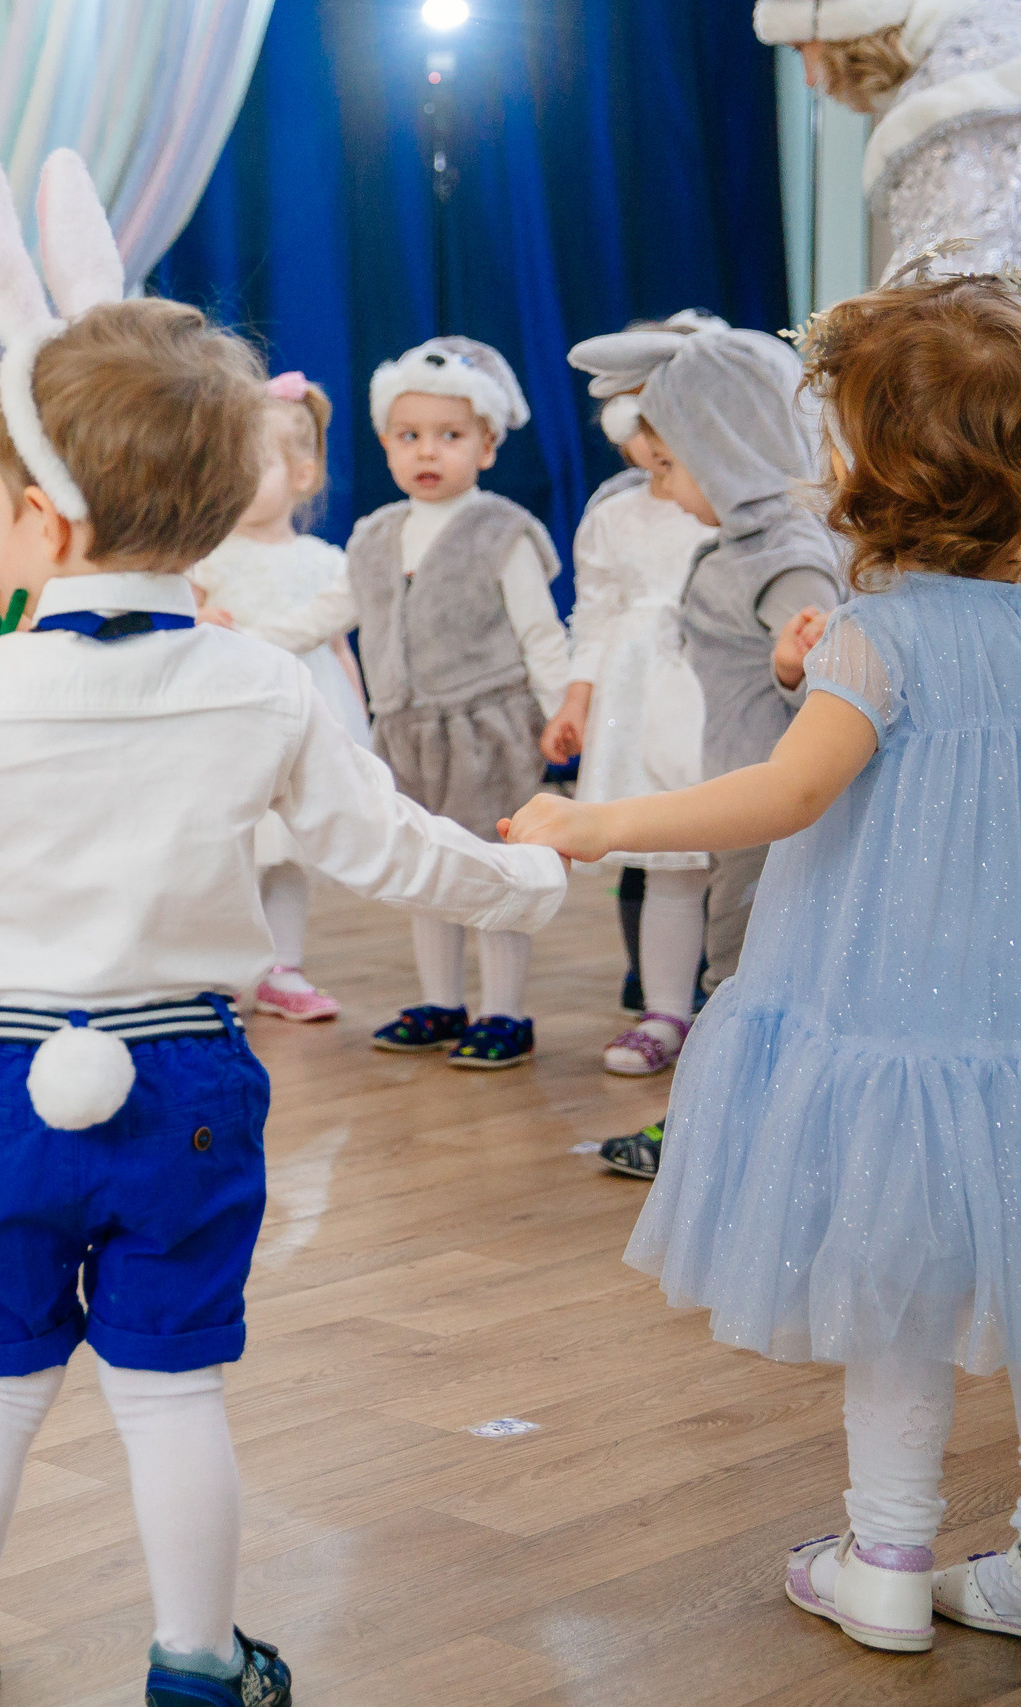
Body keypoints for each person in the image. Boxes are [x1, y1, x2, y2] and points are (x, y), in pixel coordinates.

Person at [0, 128, 568, 1707]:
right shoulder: (257, 681)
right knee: (173, 1396)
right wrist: (537, 875)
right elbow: (397, 849)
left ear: (47, 522)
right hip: (189, 1086)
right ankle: (202, 1663)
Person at [506, 274, 1021, 1656]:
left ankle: (890, 1554)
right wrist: (818, 675)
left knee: (904, 1290)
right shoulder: (885, 633)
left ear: (887, 468)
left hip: (896, 1013)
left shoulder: (888, 630)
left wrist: (597, 818)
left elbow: (789, 797)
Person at [561, 322, 847, 1181]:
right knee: (745, 973)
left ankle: (711, 1136)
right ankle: (744, 1131)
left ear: (730, 451)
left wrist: (801, 664)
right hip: (747, 805)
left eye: (669, 467)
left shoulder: (786, 552)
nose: (664, 488)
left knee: (743, 976)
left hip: (775, 814)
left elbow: (842, 667)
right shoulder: (743, 547)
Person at [352, 338, 572, 1070]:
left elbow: (541, 632)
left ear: (486, 445)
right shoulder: (376, 535)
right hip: (408, 733)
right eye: (410, 435)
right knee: (427, 870)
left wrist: (563, 711)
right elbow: (335, 608)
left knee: (494, 870)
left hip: (488, 729)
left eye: (450, 436)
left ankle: (506, 1011)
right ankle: (442, 999)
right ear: (385, 442)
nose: (428, 451)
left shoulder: (499, 530)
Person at [544, 321, 718, 1080]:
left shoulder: (735, 507)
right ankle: (666, 1010)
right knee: (669, 862)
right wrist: (574, 700)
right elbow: (596, 610)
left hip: (715, 687)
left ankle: (736, 999)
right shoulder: (613, 514)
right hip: (638, 699)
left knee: (743, 854)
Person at [190, 372, 372, 1023]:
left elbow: (342, 651)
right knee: (229, 848)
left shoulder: (326, 562)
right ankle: (215, 968)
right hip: (228, 716)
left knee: (287, 849)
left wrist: (357, 730)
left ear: (302, 474)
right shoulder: (204, 556)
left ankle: (283, 966)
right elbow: (183, 622)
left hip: (301, 712)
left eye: (253, 466)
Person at [758, 0, 1021, 280]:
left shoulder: (960, 112)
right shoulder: (985, 60)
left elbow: (957, 289)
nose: (809, 79)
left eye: (801, 49)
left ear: (842, 24)